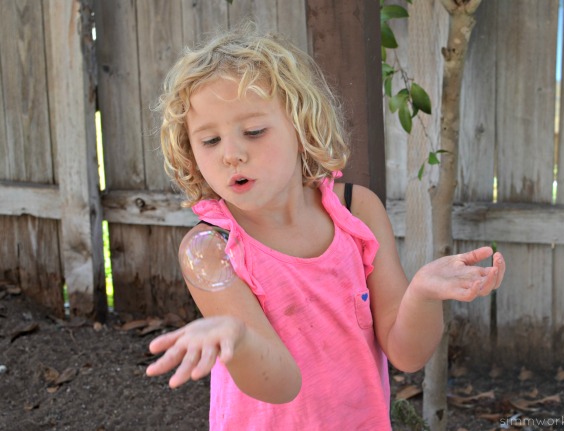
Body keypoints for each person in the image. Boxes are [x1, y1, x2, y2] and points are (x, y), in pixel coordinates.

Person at [145, 24, 506, 430]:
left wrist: (423, 293)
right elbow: (281, 383)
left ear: (301, 127)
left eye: (254, 131)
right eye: (209, 140)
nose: (231, 154)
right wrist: (239, 339)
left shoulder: (356, 211)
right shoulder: (213, 247)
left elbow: (407, 355)